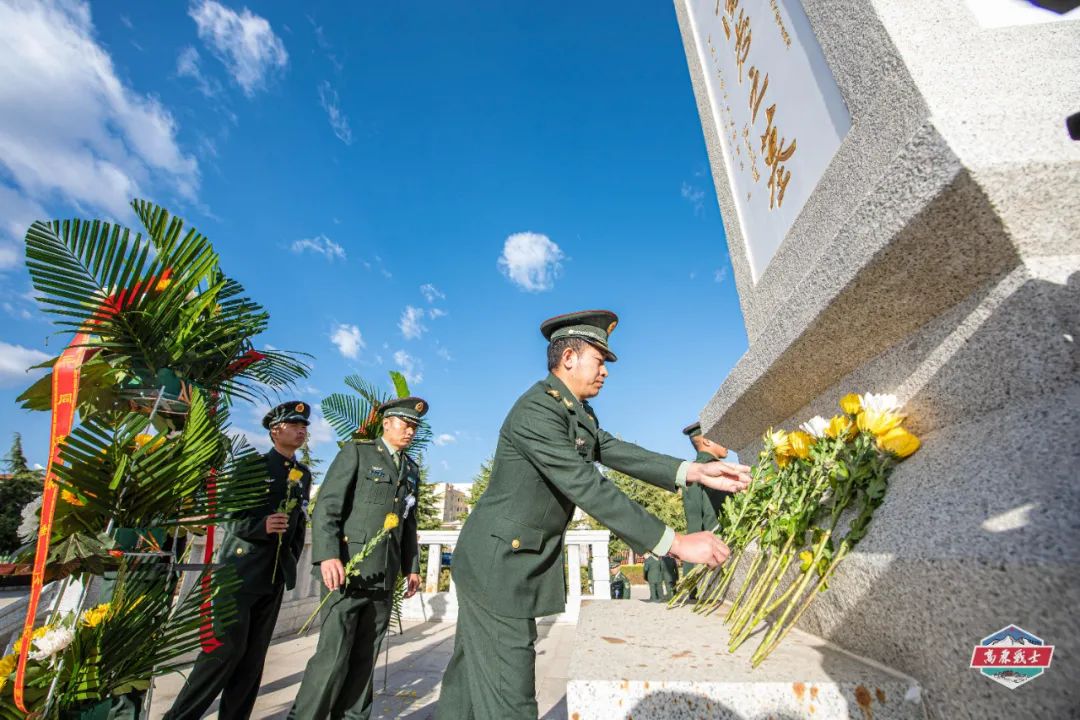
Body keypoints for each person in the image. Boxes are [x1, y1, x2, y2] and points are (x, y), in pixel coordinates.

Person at [436, 310, 752, 720]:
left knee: (468, 684)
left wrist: (693, 471)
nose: (605, 371)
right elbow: (587, 486)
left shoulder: (576, 413)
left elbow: (618, 451)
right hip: (497, 568)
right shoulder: (537, 410)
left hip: (503, 562)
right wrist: (674, 542)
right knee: (510, 697)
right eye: (600, 361)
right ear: (569, 358)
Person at [164, 401, 312, 720]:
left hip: (273, 576)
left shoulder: (303, 474)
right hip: (240, 574)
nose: (301, 430)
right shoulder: (253, 467)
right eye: (294, 425)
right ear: (275, 431)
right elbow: (230, 516)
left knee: (252, 661)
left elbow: (299, 524)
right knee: (222, 653)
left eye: (304, 426)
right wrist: (261, 526)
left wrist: (290, 560)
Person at [287, 397, 426, 720]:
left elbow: (408, 523)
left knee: (366, 658)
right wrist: (328, 556)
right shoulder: (358, 453)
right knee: (332, 657)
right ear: (386, 423)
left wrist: (412, 567)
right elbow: (327, 507)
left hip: (383, 575)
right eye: (405, 424)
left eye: (414, 427)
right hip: (347, 572)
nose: (410, 431)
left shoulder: (410, 469)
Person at [680, 421, 732, 580]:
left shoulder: (712, 469)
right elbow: (694, 525)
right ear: (707, 441)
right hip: (717, 554)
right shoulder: (698, 472)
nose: (728, 443)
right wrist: (691, 579)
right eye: (721, 437)